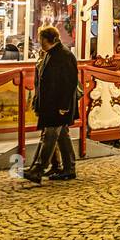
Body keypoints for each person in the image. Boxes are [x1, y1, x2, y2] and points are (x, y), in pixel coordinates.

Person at [23, 26, 78, 184]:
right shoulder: (51, 54)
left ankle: (38, 169)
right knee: (61, 137)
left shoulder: (64, 56)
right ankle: (69, 168)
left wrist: (64, 105)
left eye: (41, 39)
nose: (39, 42)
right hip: (51, 104)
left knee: (50, 136)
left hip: (59, 105)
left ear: (49, 40)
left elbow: (69, 83)